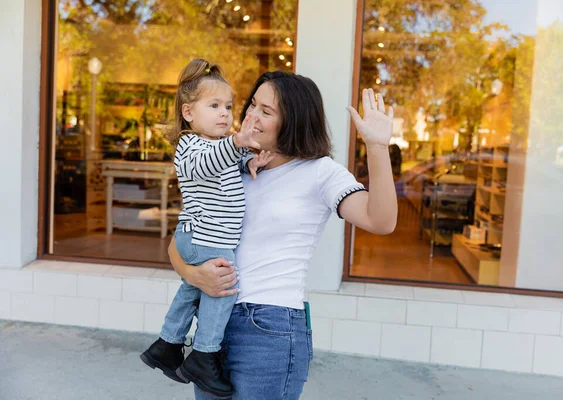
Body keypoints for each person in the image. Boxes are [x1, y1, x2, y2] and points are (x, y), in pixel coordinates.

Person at [168, 71, 398, 400]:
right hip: (213, 323)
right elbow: (178, 240)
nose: (251, 116)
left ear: (294, 121)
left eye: (267, 111)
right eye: (251, 106)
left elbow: (381, 220)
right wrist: (194, 274)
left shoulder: (320, 172)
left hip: (269, 328)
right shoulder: (231, 164)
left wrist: (376, 147)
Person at [140, 59, 273, 399]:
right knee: (222, 288)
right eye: (214, 106)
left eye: (228, 106)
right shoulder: (189, 147)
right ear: (188, 112)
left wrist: (249, 160)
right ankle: (204, 353)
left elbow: (227, 164)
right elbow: (209, 162)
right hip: (205, 237)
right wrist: (236, 144)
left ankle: (167, 344)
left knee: (192, 290)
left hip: (203, 236)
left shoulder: (219, 145)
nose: (225, 114)